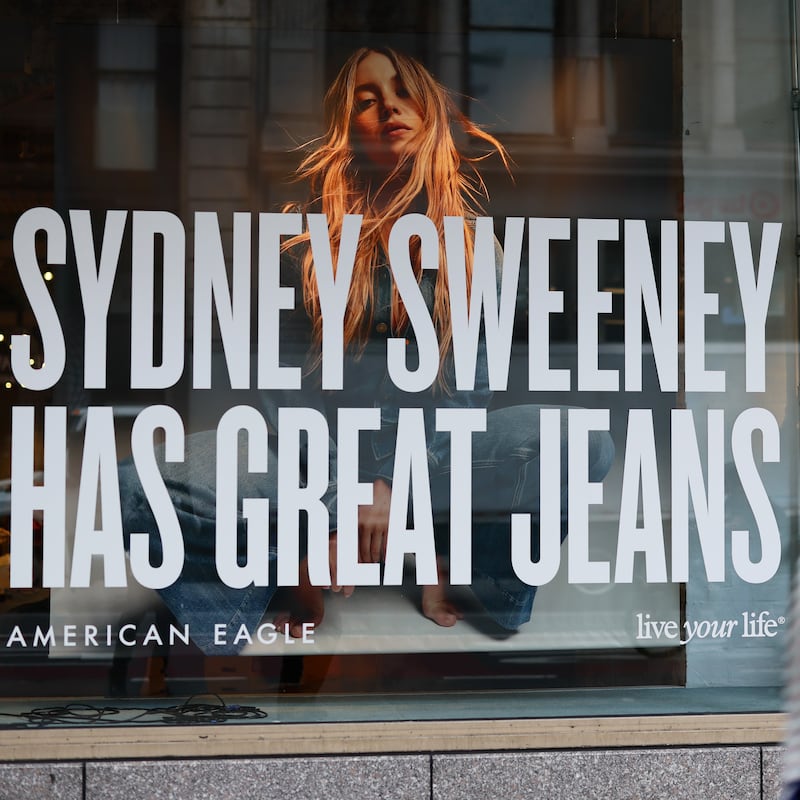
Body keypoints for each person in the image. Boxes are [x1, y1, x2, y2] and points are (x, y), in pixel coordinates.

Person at [119, 47, 615, 655]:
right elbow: (285, 398)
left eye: (403, 92)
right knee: (138, 484)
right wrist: (330, 505)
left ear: (429, 113)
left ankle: (453, 561)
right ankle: (281, 572)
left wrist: (390, 484)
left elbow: (465, 395)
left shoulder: (476, 250)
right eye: (367, 99)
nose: (389, 108)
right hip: (308, 461)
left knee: (582, 439)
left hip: (432, 461)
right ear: (347, 129)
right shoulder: (299, 243)